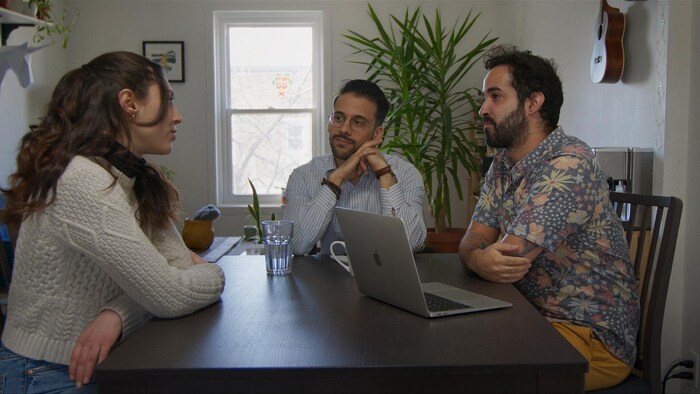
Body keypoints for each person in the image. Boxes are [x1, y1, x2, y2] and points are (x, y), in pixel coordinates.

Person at [0, 51, 225, 392]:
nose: (178, 117)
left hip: (101, 363)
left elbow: (174, 269)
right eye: (169, 101)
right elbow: (170, 292)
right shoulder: (80, 179)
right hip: (47, 372)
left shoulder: (137, 178)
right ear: (129, 103)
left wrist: (118, 315)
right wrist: (213, 272)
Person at [458, 45, 640, 391]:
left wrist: (479, 257)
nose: (483, 109)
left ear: (532, 103)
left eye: (495, 97)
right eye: (485, 98)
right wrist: (479, 257)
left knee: (472, 375)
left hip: (589, 336)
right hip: (530, 315)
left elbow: (507, 258)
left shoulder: (569, 164)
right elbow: (472, 242)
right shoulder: (502, 164)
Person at [284, 79, 426, 255]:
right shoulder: (303, 176)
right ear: (329, 123)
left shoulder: (406, 174)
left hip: (387, 280)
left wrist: (384, 173)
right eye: (338, 118)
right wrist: (336, 179)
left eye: (358, 122)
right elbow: (295, 246)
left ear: (377, 134)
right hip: (328, 279)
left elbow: (410, 243)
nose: (344, 129)